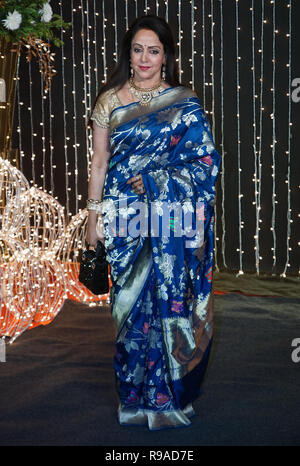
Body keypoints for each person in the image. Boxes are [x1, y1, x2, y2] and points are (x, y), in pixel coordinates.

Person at [86, 15, 220, 431]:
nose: (144, 58)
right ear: (129, 53)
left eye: (154, 50)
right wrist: (92, 217)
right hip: (124, 217)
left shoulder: (184, 103)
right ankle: (132, 396)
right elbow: (100, 162)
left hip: (170, 220)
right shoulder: (110, 100)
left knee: (169, 303)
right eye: (138, 49)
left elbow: (205, 163)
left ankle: (164, 397)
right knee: (127, 311)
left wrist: (155, 181)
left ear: (167, 56)